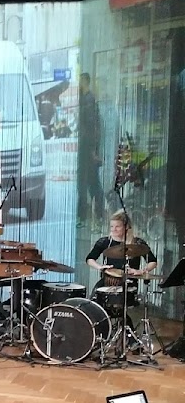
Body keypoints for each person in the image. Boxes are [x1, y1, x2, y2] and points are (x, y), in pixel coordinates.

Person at [86, 210, 157, 295]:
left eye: (117, 226)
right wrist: (100, 267)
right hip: (107, 284)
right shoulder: (105, 242)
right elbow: (90, 259)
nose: (114, 229)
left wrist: (141, 271)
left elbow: (153, 261)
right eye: (112, 226)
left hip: (129, 285)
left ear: (126, 227)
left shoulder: (137, 243)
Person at [78, 73, 104, 224]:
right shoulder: (85, 100)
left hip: (88, 149)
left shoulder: (89, 101)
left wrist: (93, 150)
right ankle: (89, 215)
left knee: (90, 182)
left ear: (85, 82)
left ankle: (93, 214)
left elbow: (92, 126)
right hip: (86, 148)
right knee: (88, 182)